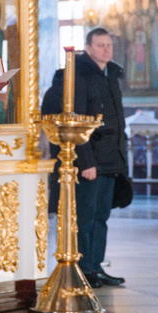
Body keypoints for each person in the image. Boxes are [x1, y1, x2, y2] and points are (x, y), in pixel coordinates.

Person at [43, 27, 128, 290]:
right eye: (100, 45)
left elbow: (116, 119)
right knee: (86, 216)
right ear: (88, 48)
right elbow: (76, 121)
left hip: (110, 158)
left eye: (109, 45)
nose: (106, 50)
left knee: (102, 215)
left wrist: (119, 159)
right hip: (89, 159)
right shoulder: (77, 75)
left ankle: (96, 265)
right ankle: (83, 267)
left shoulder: (110, 74)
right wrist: (85, 161)